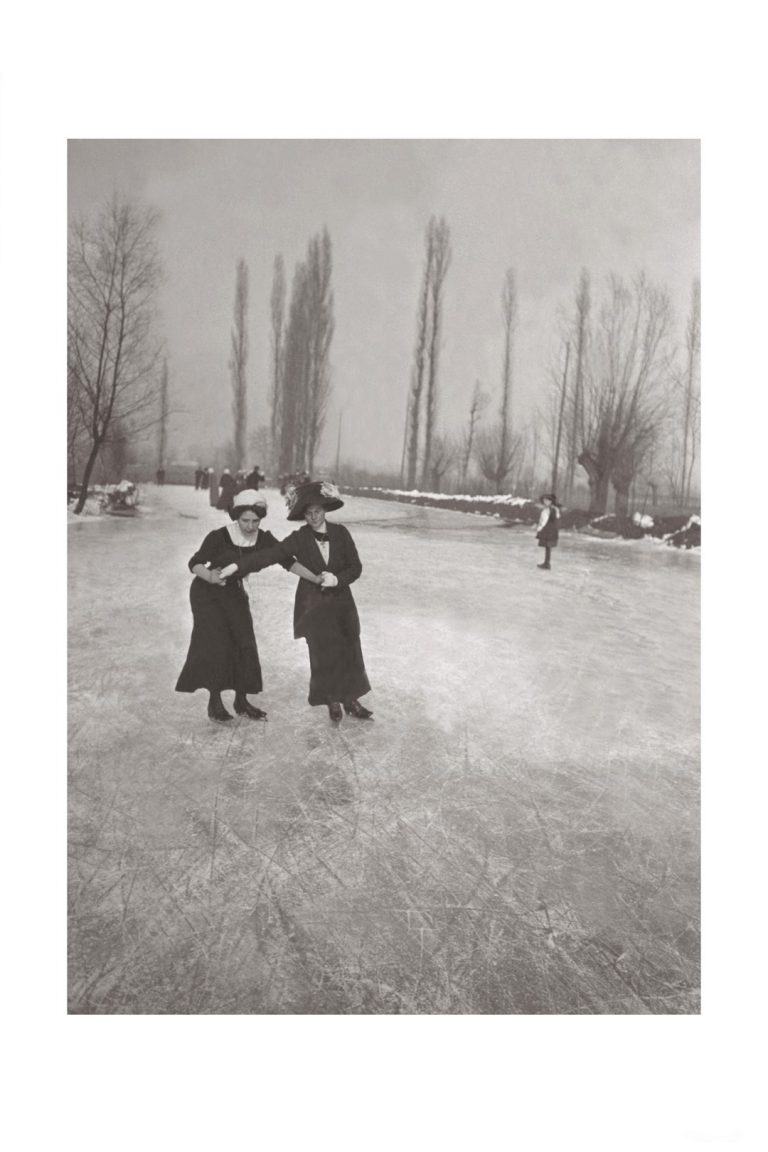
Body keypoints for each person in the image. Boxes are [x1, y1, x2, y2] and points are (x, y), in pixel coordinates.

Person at [224, 480, 372, 723]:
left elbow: (355, 568)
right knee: (322, 654)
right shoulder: (299, 538)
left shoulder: (341, 533)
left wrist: (337, 579)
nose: (314, 517)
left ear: (325, 511)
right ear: (303, 514)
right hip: (314, 607)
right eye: (309, 513)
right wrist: (237, 566)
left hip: (343, 605)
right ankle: (332, 700)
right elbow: (269, 555)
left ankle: (351, 699)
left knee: (349, 651)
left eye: (318, 512)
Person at [175, 489, 322, 723]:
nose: (251, 526)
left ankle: (241, 700)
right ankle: (215, 702)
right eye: (245, 520)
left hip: (234, 593)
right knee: (217, 644)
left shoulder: (263, 539)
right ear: (236, 517)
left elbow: (288, 562)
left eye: (256, 521)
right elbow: (195, 563)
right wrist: (210, 576)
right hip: (207, 593)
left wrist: (314, 577)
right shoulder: (219, 536)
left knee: (244, 642)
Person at [535, 493, 560, 570]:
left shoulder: (548, 510)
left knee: (547, 546)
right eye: (544, 501)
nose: (545, 502)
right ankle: (547, 562)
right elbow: (557, 517)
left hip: (548, 530)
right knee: (548, 547)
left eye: (546, 501)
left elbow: (544, 521)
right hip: (553, 530)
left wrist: (539, 528)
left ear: (550, 501)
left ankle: (547, 563)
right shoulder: (555, 509)